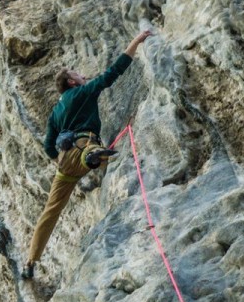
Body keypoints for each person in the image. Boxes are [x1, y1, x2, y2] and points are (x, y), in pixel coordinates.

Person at [22, 28, 154, 280]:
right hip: (83, 149)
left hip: (64, 166)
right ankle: (93, 157)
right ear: (71, 82)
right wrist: (136, 41)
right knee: (91, 150)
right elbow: (111, 74)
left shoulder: (55, 113)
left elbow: (48, 146)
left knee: (50, 212)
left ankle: (30, 261)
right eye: (78, 74)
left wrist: (60, 160)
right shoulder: (80, 93)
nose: (83, 75)